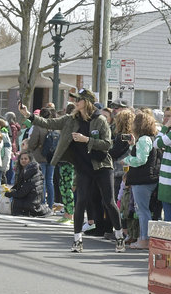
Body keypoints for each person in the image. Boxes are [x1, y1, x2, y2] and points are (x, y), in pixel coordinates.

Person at [35, 89, 124, 253]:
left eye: (79, 99)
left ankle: (119, 236)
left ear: (87, 102)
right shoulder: (71, 119)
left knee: (109, 202)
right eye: (75, 99)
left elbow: (107, 145)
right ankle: (77, 240)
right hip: (83, 167)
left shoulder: (100, 120)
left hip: (102, 166)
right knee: (80, 202)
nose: (76, 102)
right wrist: (29, 116)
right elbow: (49, 123)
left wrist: (87, 140)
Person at [123, 109, 161, 249]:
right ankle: (144, 237)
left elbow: (140, 160)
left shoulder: (144, 139)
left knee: (142, 210)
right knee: (145, 210)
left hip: (142, 179)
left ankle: (145, 239)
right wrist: (133, 145)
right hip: (150, 178)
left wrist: (126, 159)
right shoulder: (151, 138)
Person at [5, 151, 50, 217]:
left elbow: (23, 192)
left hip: (31, 203)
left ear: (30, 160)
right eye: (21, 159)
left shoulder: (30, 172)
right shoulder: (27, 170)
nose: (23, 161)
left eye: (26, 159)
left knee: (15, 200)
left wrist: (10, 193)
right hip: (33, 200)